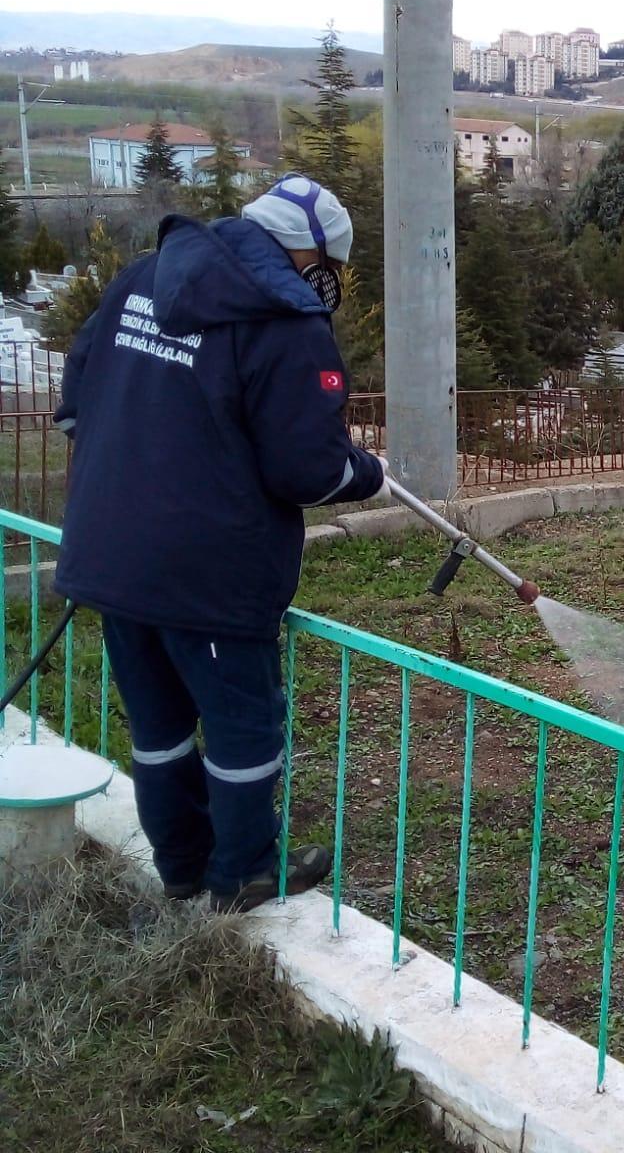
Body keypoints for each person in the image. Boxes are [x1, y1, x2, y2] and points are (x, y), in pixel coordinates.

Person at [53, 174, 388, 913]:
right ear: (311, 256)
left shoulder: (144, 277)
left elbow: (76, 404)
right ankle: (241, 872)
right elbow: (306, 468)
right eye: (330, 271)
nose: (328, 285)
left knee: (159, 724)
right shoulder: (286, 318)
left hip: (110, 553)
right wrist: (369, 473)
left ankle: (181, 866)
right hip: (206, 573)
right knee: (243, 729)